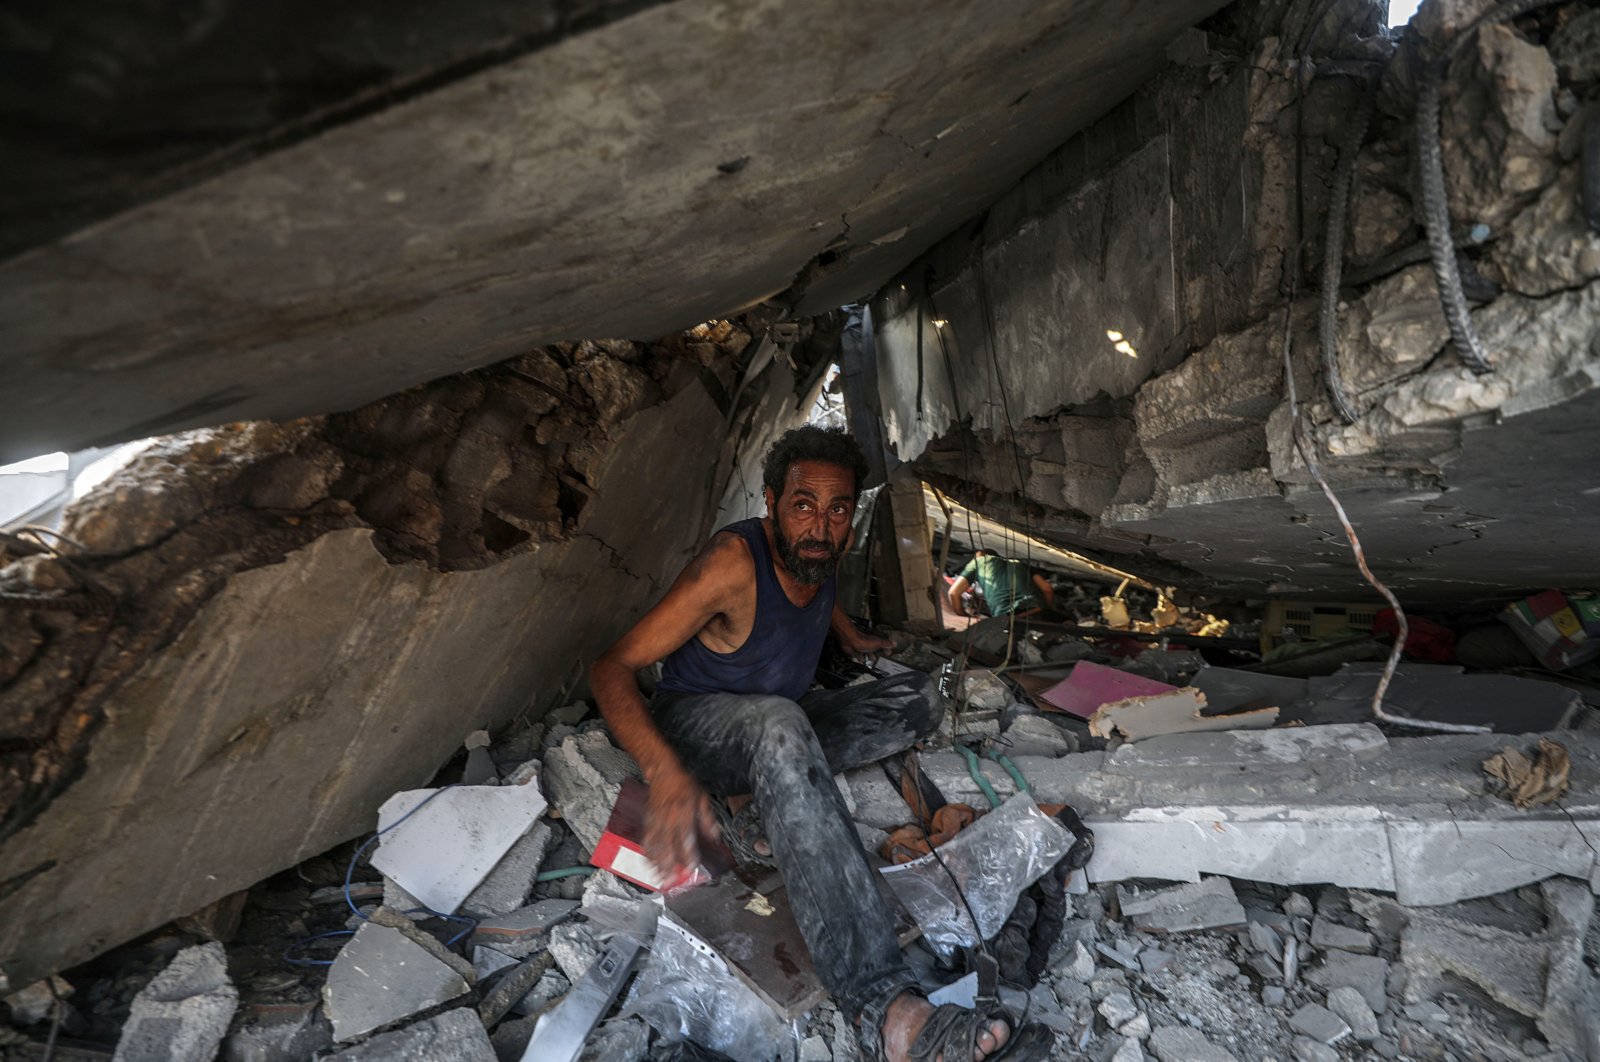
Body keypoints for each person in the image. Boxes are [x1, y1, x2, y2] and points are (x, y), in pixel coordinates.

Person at [591, 425, 1051, 1062]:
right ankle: (884, 1006)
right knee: (780, 726)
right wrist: (663, 770)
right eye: (803, 506)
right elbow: (610, 666)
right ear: (772, 502)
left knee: (918, 698)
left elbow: (816, 586)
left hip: (780, 717)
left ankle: (773, 787)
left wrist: (851, 638)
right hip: (697, 726)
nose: (820, 527)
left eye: (838, 511)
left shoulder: (825, 551)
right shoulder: (731, 566)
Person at [947, 549, 1055, 619]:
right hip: (1036, 609)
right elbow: (1047, 588)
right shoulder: (1021, 564)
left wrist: (964, 616)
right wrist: (1046, 608)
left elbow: (953, 593)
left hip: (1005, 616)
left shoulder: (979, 561)